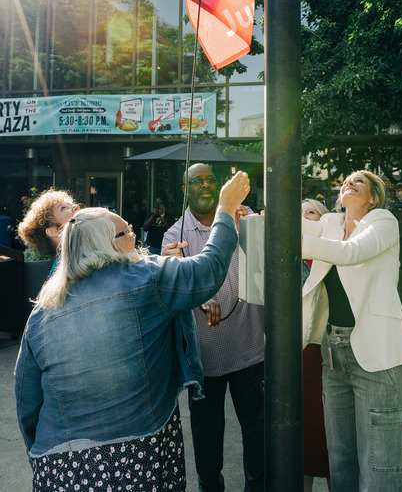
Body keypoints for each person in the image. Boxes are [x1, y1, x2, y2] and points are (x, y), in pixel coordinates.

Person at [14, 170, 250, 492]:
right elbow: (207, 270)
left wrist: (43, 460)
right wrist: (225, 208)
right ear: (107, 244)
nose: (136, 242)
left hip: (58, 465)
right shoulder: (145, 277)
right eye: (128, 233)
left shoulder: (40, 312)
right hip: (136, 455)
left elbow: (28, 403)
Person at [302, 171, 402, 492]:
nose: (349, 183)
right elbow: (293, 224)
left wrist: (287, 235)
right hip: (332, 353)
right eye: (346, 182)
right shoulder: (331, 224)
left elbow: (350, 253)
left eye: (359, 182)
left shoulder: (383, 221)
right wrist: (250, 217)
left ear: (373, 198)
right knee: (341, 462)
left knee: (379, 468)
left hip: (377, 356)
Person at [162, 163, 264, 492]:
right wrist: (195, 297)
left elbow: (267, 268)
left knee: (258, 434)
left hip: (250, 349)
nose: (205, 186)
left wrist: (254, 227)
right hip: (204, 359)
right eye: (196, 181)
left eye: (211, 181)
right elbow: (171, 290)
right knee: (207, 441)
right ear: (184, 190)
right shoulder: (173, 235)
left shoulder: (244, 220)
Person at [301, 199, 331, 492]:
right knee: (301, 435)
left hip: (326, 349)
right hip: (295, 354)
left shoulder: (334, 254)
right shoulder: (286, 255)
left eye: (310, 213)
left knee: (333, 434)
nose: (303, 219)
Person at [17, 189, 80, 271]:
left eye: (71, 205)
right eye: (63, 208)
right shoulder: (69, 272)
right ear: (53, 231)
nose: (77, 207)